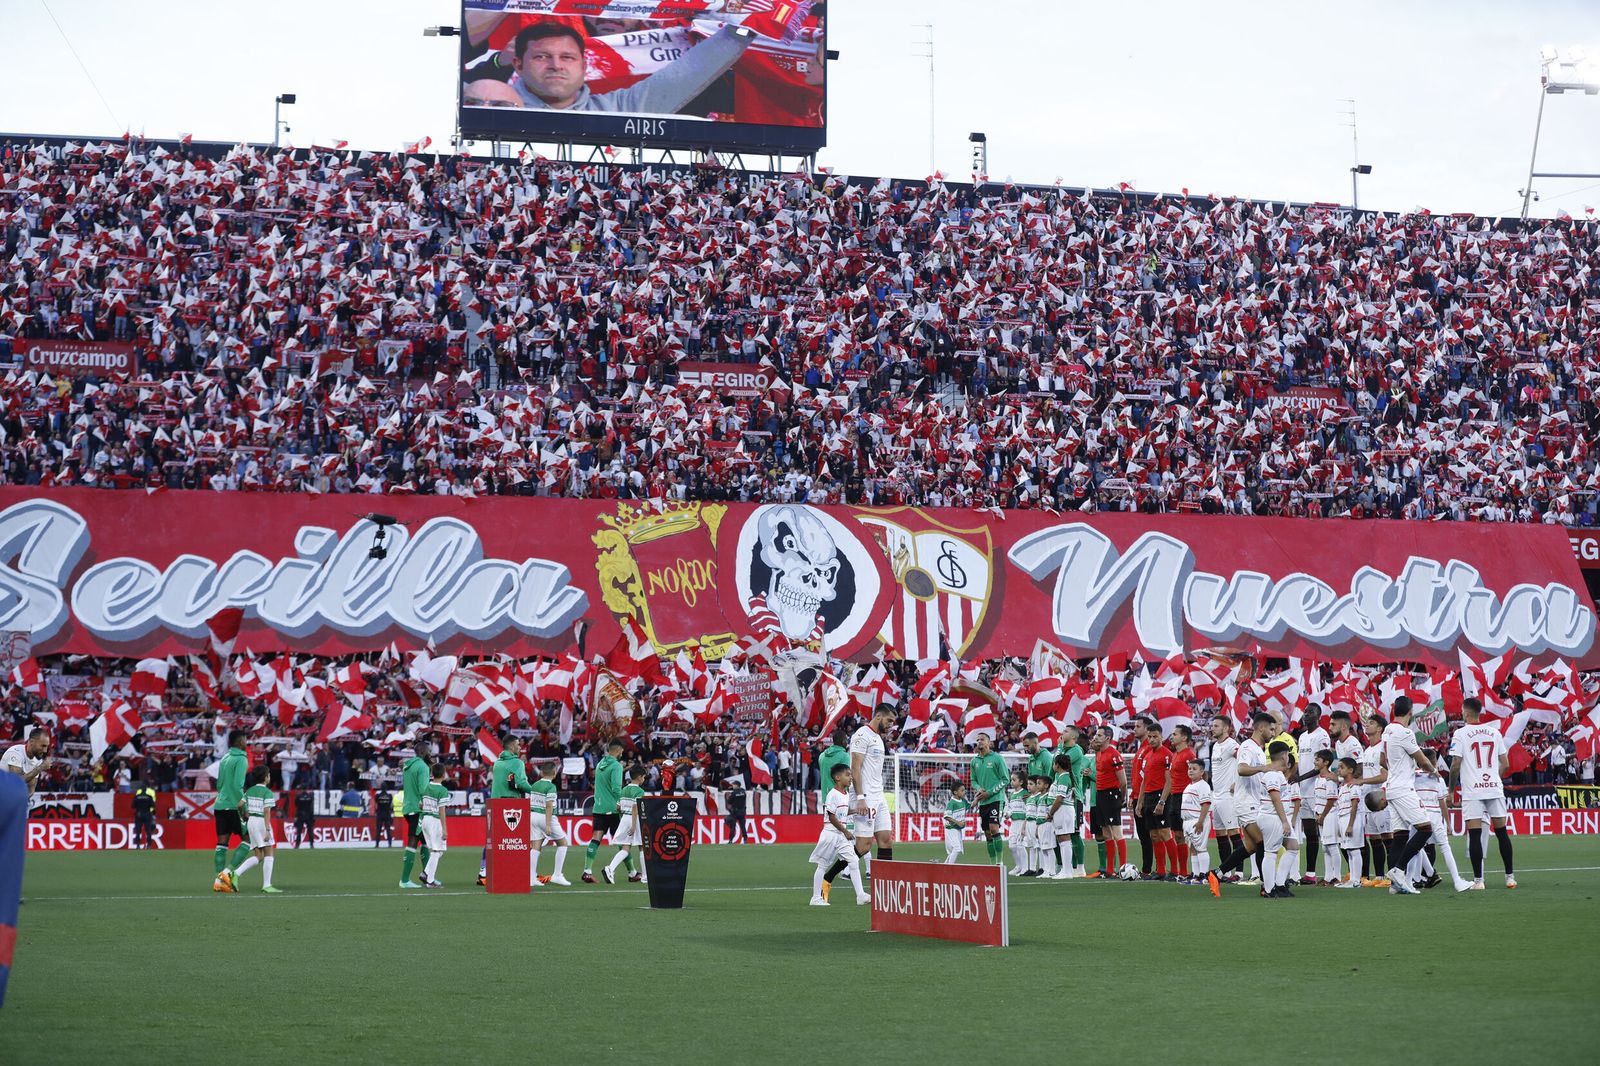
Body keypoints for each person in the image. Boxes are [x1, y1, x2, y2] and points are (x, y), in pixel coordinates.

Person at [472, 20, 754, 114]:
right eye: (542, 57)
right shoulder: (492, 103)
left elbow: (681, 78)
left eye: (567, 57)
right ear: (519, 64)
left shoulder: (614, 110)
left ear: (585, 65)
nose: (556, 65)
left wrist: (741, 30)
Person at [1449, 697, 1516, 890]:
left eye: (1462, 711)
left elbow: (1455, 764)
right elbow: (1505, 763)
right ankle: (1510, 878)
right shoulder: (1494, 732)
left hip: (1473, 790)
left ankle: (1479, 881)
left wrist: (1451, 790)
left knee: (1475, 834)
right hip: (1493, 787)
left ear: (1466, 713)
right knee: (1502, 833)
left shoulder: (1460, 734)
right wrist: (1494, 778)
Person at [1379, 697, 1436, 895]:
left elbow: (1382, 760)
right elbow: (1423, 761)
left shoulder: (1386, 731)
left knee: (1400, 836)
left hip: (1392, 788)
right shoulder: (1405, 732)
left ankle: (1396, 886)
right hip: (1403, 788)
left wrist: (1398, 768)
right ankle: (1399, 871)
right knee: (1425, 829)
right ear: (1410, 712)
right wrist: (1434, 771)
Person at [480, 736, 538, 884]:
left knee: (492, 839)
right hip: (511, 806)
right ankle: (515, 872)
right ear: (512, 747)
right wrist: (536, 791)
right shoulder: (517, 763)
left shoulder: (497, 763)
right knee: (513, 841)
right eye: (518, 745)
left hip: (494, 804)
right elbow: (521, 783)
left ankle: (484, 870)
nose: (520, 748)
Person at [810, 763, 868, 906]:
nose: (850, 778)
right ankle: (815, 898)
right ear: (837, 777)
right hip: (831, 833)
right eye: (847, 775)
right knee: (822, 865)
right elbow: (831, 816)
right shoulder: (832, 794)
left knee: (853, 860)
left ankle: (860, 895)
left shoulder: (846, 794)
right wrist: (846, 831)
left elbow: (842, 812)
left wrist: (855, 811)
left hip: (840, 835)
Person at [849, 705, 897, 876]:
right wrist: (860, 797)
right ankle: (829, 876)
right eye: (889, 720)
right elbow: (855, 768)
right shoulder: (862, 735)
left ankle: (886, 882)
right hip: (866, 796)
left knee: (885, 840)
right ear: (878, 716)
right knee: (863, 846)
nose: (891, 724)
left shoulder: (878, 738)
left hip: (879, 795)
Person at [230, 766, 283, 894]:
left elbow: (239, 805)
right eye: (269, 775)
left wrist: (244, 815)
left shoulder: (250, 791)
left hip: (251, 822)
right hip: (260, 823)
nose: (270, 777)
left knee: (259, 856)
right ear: (265, 778)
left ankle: (236, 873)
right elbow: (266, 811)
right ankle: (266, 885)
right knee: (269, 853)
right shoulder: (267, 792)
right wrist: (267, 829)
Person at [212, 730, 253, 893]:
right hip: (233, 806)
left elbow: (219, 784)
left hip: (220, 805)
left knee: (222, 843)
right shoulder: (241, 759)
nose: (246, 742)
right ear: (239, 741)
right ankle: (226, 874)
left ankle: (218, 880)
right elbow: (237, 786)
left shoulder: (224, 758)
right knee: (248, 840)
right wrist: (244, 808)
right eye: (245, 739)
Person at [1354, 714, 1390, 887]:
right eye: (1367, 723)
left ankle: (1392, 875)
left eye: (1372, 723)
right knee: (1374, 840)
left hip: (1381, 800)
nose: (1367, 725)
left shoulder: (1384, 748)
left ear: (1380, 729)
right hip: (1368, 802)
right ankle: (1381, 877)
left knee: (1388, 839)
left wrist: (1362, 781)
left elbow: (1385, 776)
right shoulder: (1367, 750)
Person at [1258, 741, 1298, 898]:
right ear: (1283, 755)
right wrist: (1284, 821)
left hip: (1277, 816)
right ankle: (1269, 889)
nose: (1288, 757)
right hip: (1272, 817)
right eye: (1288, 754)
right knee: (1271, 853)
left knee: (1293, 847)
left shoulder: (1276, 774)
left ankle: (1280, 885)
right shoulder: (1273, 775)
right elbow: (1275, 799)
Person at [1154, 724, 1195, 881]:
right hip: (1174, 797)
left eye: (1175, 734)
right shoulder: (1175, 755)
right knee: (1178, 835)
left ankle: (1189, 871)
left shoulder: (1188, 755)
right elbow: (1170, 780)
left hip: (1185, 798)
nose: (1171, 737)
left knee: (1188, 836)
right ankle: (1181, 872)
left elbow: (1198, 775)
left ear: (1184, 737)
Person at [1296, 705, 1330, 883]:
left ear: (1318, 716)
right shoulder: (1302, 737)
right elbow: (1303, 764)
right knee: (1310, 833)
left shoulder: (1322, 735)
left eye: (1310, 712)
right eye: (1305, 711)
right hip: (1304, 791)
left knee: (1325, 834)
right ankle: (1310, 874)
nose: (1306, 715)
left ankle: (1332, 874)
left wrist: (1299, 778)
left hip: (1318, 790)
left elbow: (1322, 765)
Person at [1207, 715, 1243, 881]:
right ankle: (1225, 872)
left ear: (1226, 728)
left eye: (1216, 725)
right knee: (1220, 834)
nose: (1212, 728)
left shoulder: (1232, 745)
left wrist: (1237, 782)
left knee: (1234, 832)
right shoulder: (1215, 746)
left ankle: (1239, 873)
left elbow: (1244, 759)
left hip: (1228, 797)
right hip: (1216, 795)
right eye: (1212, 725)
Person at [584, 739, 626, 883]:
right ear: (619, 750)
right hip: (613, 809)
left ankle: (587, 871)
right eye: (622, 750)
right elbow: (615, 788)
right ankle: (632, 872)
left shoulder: (600, 763)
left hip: (599, 807)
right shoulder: (617, 766)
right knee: (623, 842)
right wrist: (621, 801)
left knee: (596, 839)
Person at [1088, 725, 1128, 878]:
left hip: (1111, 795)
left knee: (1117, 832)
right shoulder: (1099, 753)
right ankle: (1110, 870)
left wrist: (1120, 800)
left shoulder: (1114, 754)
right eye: (1095, 735)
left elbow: (1123, 782)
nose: (1095, 737)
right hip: (1100, 795)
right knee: (1106, 833)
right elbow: (1091, 745)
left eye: (1099, 735)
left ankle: (1123, 868)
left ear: (1107, 738)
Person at [1179, 758, 1219, 896]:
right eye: (1189, 768)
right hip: (1188, 821)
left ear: (1202, 772)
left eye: (1194, 769)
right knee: (1193, 848)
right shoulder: (1189, 786)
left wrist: (1201, 821)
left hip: (1197, 820)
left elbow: (1206, 804)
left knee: (1201, 847)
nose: (1190, 771)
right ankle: (1195, 875)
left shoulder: (1203, 786)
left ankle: (1204, 875)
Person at [603, 764, 649, 884]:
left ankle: (610, 868)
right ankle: (645, 876)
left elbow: (618, 807)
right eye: (643, 776)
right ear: (639, 777)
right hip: (635, 820)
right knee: (642, 847)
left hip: (624, 819)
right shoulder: (640, 791)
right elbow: (635, 808)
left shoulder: (624, 789)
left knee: (625, 848)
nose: (644, 779)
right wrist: (634, 825)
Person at [529, 762, 573, 887]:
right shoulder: (551, 787)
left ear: (541, 772)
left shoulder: (535, 785)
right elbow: (549, 806)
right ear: (554, 773)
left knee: (536, 846)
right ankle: (557, 875)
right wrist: (548, 825)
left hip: (533, 816)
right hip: (546, 817)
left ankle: (531, 878)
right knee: (563, 843)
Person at [968, 732, 1008, 865]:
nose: (979, 741)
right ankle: (992, 864)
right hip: (983, 801)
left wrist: (989, 792)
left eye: (982, 739)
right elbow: (973, 780)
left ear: (989, 743)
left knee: (994, 828)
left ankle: (999, 862)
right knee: (987, 833)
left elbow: (1005, 780)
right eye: (978, 739)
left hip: (996, 799)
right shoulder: (974, 761)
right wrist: (978, 788)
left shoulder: (997, 758)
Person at [1057, 725, 1091, 876]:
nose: (1062, 733)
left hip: (1074, 797)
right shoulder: (1065, 750)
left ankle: (1080, 867)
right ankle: (1067, 866)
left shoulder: (1076, 751)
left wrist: (1058, 748)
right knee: (1062, 833)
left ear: (1073, 737)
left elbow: (1057, 765)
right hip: (1062, 796)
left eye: (1065, 731)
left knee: (1074, 832)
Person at [400, 740, 434, 889]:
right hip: (418, 808)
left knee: (425, 841)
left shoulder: (408, 766)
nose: (430, 754)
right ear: (422, 752)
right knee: (413, 841)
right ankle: (404, 880)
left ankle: (428, 878)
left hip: (409, 806)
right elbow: (423, 789)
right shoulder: (423, 767)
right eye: (429, 751)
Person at [1329, 758, 1363, 888]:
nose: (1338, 769)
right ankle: (1352, 879)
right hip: (1343, 818)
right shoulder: (1343, 786)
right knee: (1349, 851)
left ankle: (1356, 881)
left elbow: (1354, 805)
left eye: (1341, 767)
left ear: (1350, 770)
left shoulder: (1354, 786)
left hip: (1352, 819)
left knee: (1354, 850)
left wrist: (1350, 825)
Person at [418, 763, 452, 889]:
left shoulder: (426, 787)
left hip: (425, 820)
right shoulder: (442, 790)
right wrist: (444, 829)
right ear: (443, 775)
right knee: (437, 850)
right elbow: (441, 810)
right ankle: (430, 881)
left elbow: (420, 805)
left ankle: (425, 873)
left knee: (438, 851)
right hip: (434, 820)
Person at [1045, 754, 1078, 879]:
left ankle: (1067, 871)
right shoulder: (1061, 777)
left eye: (1054, 763)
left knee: (1064, 839)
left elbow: (1059, 798)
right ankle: (1066, 869)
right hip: (1062, 810)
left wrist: (1051, 813)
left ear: (1057, 765)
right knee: (1062, 839)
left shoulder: (1064, 778)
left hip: (1063, 810)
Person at [1, 728, 51, 796]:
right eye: (43, 746)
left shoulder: (38, 761)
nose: (45, 751)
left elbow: (31, 790)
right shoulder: (15, 753)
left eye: (47, 747)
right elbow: (15, 782)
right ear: (31, 742)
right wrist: (40, 768)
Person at [1004, 770, 1028, 875]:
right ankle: (1018, 866)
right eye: (1011, 780)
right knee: (1012, 846)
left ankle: (1025, 868)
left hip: (1022, 822)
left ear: (1021, 782)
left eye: (1014, 780)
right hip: (1013, 823)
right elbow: (1010, 808)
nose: (1011, 782)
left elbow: (1028, 808)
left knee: (1020, 845)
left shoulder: (1025, 794)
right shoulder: (1012, 795)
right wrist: (1008, 813)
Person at [816, 728, 850, 805]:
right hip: (841, 798)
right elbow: (846, 778)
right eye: (846, 739)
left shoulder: (822, 755)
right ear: (843, 741)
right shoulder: (845, 756)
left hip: (826, 797)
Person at [942, 782, 970, 865]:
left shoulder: (963, 801)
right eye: (962, 790)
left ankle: (943, 867)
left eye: (964, 790)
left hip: (957, 829)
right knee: (957, 848)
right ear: (955, 792)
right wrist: (958, 822)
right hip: (951, 828)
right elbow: (946, 816)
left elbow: (971, 805)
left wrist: (978, 797)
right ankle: (949, 869)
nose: (964, 792)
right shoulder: (951, 803)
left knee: (952, 851)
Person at [131, 784, 157, 848]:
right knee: (148, 830)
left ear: (140, 790)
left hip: (139, 814)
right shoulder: (149, 797)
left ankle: (138, 845)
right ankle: (149, 845)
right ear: (146, 790)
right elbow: (153, 806)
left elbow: (132, 806)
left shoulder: (137, 797)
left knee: (138, 831)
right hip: (147, 814)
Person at [293, 784, 316, 849]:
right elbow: (311, 806)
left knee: (299, 831)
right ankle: (311, 845)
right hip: (308, 815)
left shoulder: (298, 796)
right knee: (310, 831)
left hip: (300, 814)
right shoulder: (310, 796)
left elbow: (296, 805)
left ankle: (297, 845)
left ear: (301, 789)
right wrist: (312, 816)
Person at [373, 782, 394, 848]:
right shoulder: (389, 796)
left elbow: (376, 804)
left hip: (380, 814)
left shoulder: (378, 796)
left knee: (378, 829)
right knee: (388, 829)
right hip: (387, 814)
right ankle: (390, 844)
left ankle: (377, 844)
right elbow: (391, 805)